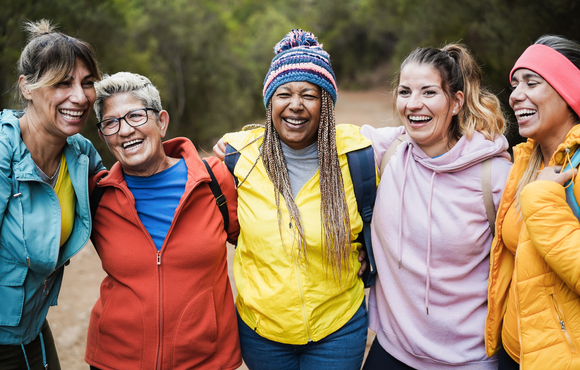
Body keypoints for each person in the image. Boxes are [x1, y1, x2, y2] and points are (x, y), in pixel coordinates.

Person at [213, 29, 372, 370]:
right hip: (262, 331)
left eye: (309, 95)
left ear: (325, 104)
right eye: (284, 93)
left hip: (337, 328)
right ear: (270, 101)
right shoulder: (238, 159)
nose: (295, 105)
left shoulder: (358, 155)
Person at [360, 44, 511, 369]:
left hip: (468, 359)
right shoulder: (391, 150)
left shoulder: (494, 177)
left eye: (429, 92)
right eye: (404, 91)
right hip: (392, 351)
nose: (413, 104)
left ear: (456, 101)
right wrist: (239, 145)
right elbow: (317, 138)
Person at [85, 72, 241, 370]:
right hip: (115, 361)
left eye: (135, 116)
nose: (125, 130)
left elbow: (264, 242)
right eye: (111, 122)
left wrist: (358, 246)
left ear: (162, 122)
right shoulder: (97, 194)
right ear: (104, 135)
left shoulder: (214, 181)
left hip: (205, 361)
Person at [0, 20, 104, 369]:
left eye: (87, 83)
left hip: (30, 326)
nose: (80, 96)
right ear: (27, 87)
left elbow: (126, 195)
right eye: (62, 83)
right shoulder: (3, 151)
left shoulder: (81, 153)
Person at [485, 35, 580, 370]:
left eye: (531, 82)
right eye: (514, 84)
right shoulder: (525, 162)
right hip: (513, 353)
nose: (515, 95)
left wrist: (541, 199)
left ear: (569, 92)